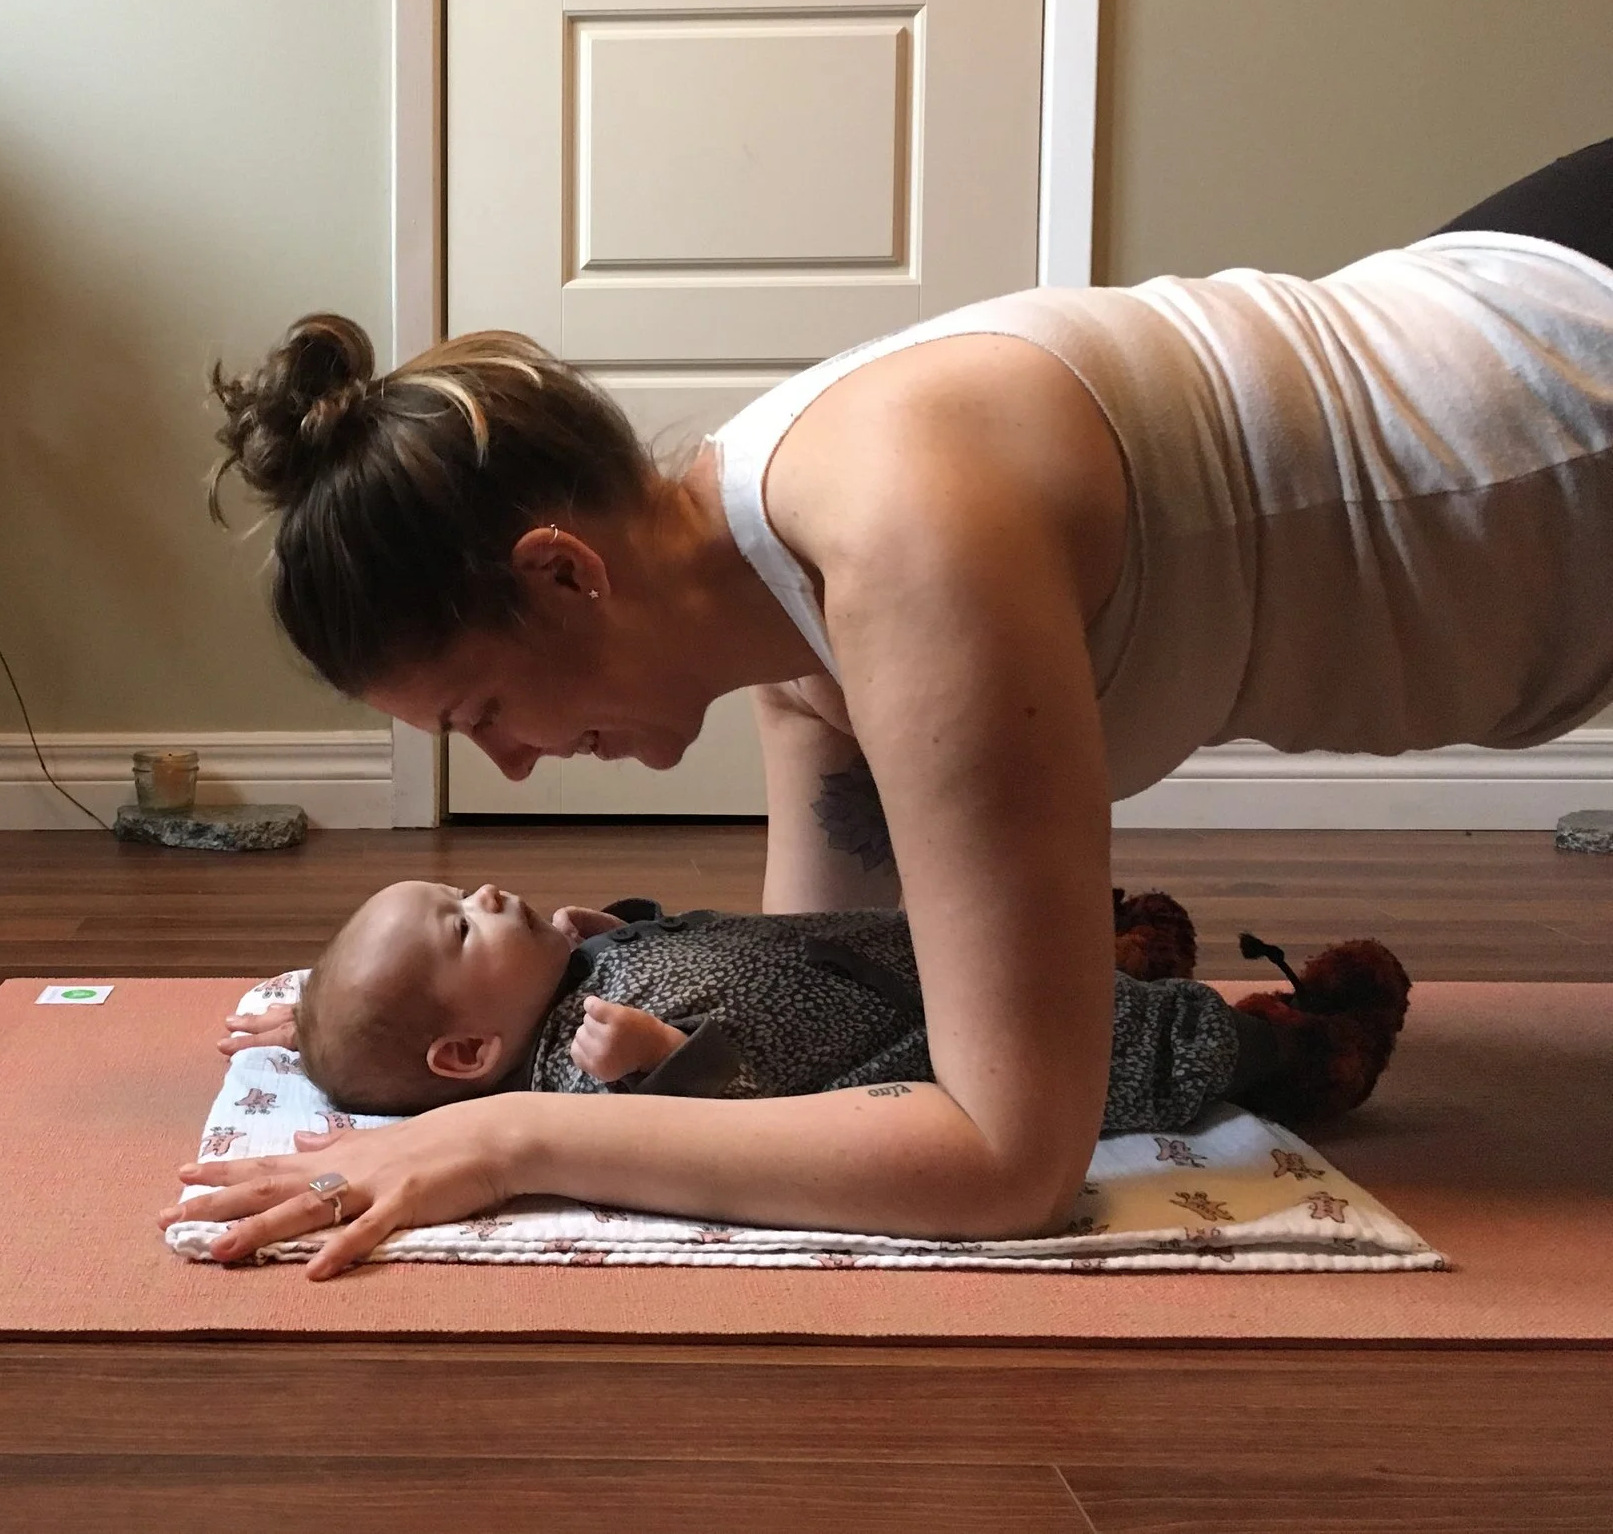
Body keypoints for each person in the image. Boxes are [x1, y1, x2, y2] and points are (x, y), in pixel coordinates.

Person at [167, 138, 1613, 1279]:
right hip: (1504, 298)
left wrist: (510, 1133)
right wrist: (343, 1036)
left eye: (488, 708)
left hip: (1573, 376)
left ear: (563, 574)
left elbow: (1005, 1158)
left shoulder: (905, 546)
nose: (518, 769)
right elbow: (829, 1037)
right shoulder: (791, 623)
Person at [269, 879, 1405, 1134]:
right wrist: (658, 1057)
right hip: (903, 1037)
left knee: (986, 927)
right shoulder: (580, 1073)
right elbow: (730, 1119)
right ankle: (1292, 1052)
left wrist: (613, 929)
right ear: (469, 1050)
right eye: (460, 927)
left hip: (878, 954)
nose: (486, 893)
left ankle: (1110, 951)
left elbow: (686, 933)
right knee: (1120, 1042)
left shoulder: (566, 969)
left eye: (452, 892)